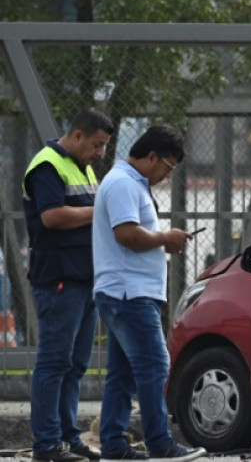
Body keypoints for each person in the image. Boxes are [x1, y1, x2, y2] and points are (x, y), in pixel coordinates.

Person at [92, 125, 206, 462]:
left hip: (126, 292)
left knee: (124, 373)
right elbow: (126, 234)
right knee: (155, 365)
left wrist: (162, 240)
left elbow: (134, 235)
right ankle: (161, 444)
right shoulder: (124, 183)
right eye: (167, 167)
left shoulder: (128, 183)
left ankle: (113, 445)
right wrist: (164, 238)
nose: (166, 176)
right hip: (130, 294)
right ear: (151, 156)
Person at [23, 109, 115, 462]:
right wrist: (99, 210)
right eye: (97, 145)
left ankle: (66, 437)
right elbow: (52, 216)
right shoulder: (47, 164)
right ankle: (46, 444)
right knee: (54, 362)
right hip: (59, 280)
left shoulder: (83, 166)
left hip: (83, 279)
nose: (100, 153)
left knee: (75, 364)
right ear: (78, 136)